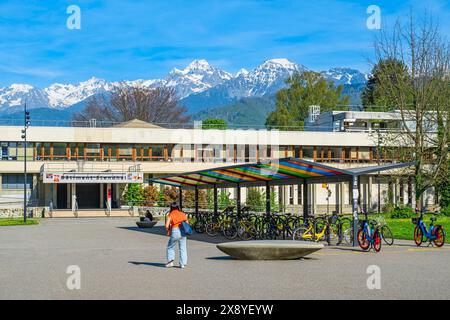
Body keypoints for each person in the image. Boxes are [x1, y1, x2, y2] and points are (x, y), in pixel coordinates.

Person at [165, 202, 188, 268]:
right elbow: (187, 223)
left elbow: (167, 225)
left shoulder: (170, 214)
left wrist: (169, 229)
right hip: (183, 231)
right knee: (183, 248)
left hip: (175, 231)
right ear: (178, 207)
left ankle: (170, 261)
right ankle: (182, 264)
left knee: (170, 246)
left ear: (171, 207)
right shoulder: (182, 214)